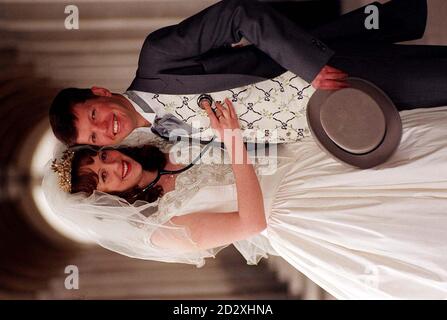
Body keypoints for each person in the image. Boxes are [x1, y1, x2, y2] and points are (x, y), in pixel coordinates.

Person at [44, 98, 447, 299]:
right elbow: (251, 224)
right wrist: (233, 143)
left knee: (414, 155)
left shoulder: (157, 141)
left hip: (305, 162)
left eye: (100, 155)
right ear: (107, 200)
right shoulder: (161, 229)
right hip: (301, 214)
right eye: (101, 179)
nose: (111, 166)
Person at [48, 0, 447, 148]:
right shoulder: (169, 137)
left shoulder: (157, 56)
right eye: (95, 137)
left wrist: (310, 67)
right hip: (340, 136)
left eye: (94, 116)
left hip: (340, 78)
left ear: (99, 92)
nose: (107, 128)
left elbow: (239, 13)